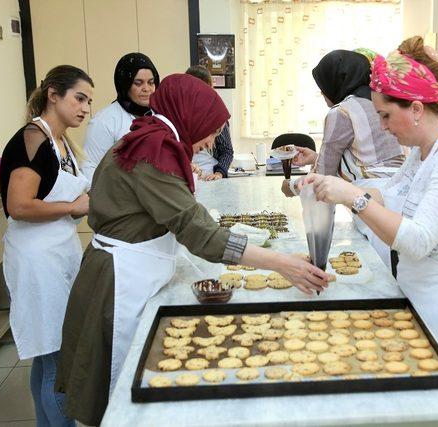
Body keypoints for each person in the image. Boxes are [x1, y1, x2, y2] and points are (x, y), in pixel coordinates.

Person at [56, 74, 329, 425]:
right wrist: (280, 263)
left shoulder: (156, 139)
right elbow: (198, 232)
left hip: (130, 267)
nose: (212, 141)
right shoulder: (151, 153)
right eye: (211, 130)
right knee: (116, 397)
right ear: (190, 116)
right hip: (118, 281)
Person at [302, 36, 438, 380]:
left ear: (417, 109)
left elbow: (418, 240)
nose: (384, 126)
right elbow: (387, 194)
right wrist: (336, 187)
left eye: (386, 115)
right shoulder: (424, 152)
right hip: (422, 291)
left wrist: (352, 197)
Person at [0, 65, 93, 426]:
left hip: (57, 251)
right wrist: (73, 206)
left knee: (47, 355)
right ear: (53, 94)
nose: (85, 108)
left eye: (88, 101)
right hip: (37, 260)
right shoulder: (32, 139)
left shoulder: (61, 142)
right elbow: (19, 205)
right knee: (59, 361)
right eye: (79, 98)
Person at [282, 49, 404, 198]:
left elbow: (322, 177)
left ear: (335, 82)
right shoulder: (383, 102)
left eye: (323, 84)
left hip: (370, 199)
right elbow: (371, 161)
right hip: (402, 193)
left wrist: (291, 186)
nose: (322, 92)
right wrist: (316, 158)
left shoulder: (341, 112)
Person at [81, 52, 159, 180]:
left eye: (151, 82)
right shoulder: (104, 120)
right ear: (125, 85)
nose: (147, 89)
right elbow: (90, 167)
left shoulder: (160, 114)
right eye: (138, 83)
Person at [186, 64, 234, 180]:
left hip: (210, 175)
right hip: (186, 175)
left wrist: (219, 173)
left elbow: (226, 151)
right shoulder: (178, 114)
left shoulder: (217, 115)